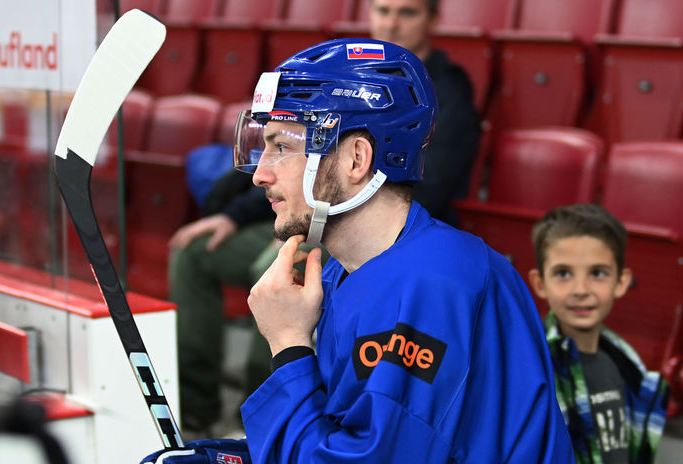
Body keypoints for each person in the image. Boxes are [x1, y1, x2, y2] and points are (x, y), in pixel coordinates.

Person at [144, 38, 573, 464]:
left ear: (356, 159)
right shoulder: (346, 269)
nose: (260, 175)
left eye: (282, 148)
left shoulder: (435, 284)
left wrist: (289, 344)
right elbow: (337, 430)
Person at [170, 0, 480, 437]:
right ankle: (201, 410)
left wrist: (287, 346)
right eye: (382, 9)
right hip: (333, 215)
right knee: (197, 251)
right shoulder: (339, 85)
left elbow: (413, 186)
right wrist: (235, 218)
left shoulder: (446, 94)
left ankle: (259, 412)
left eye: (406, 11)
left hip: (365, 221)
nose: (391, 21)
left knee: (281, 273)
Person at [527, 203, 670, 464]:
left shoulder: (626, 362)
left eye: (597, 273)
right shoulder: (535, 368)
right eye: (563, 273)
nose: (581, 289)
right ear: (540, 283)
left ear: (621, 282)